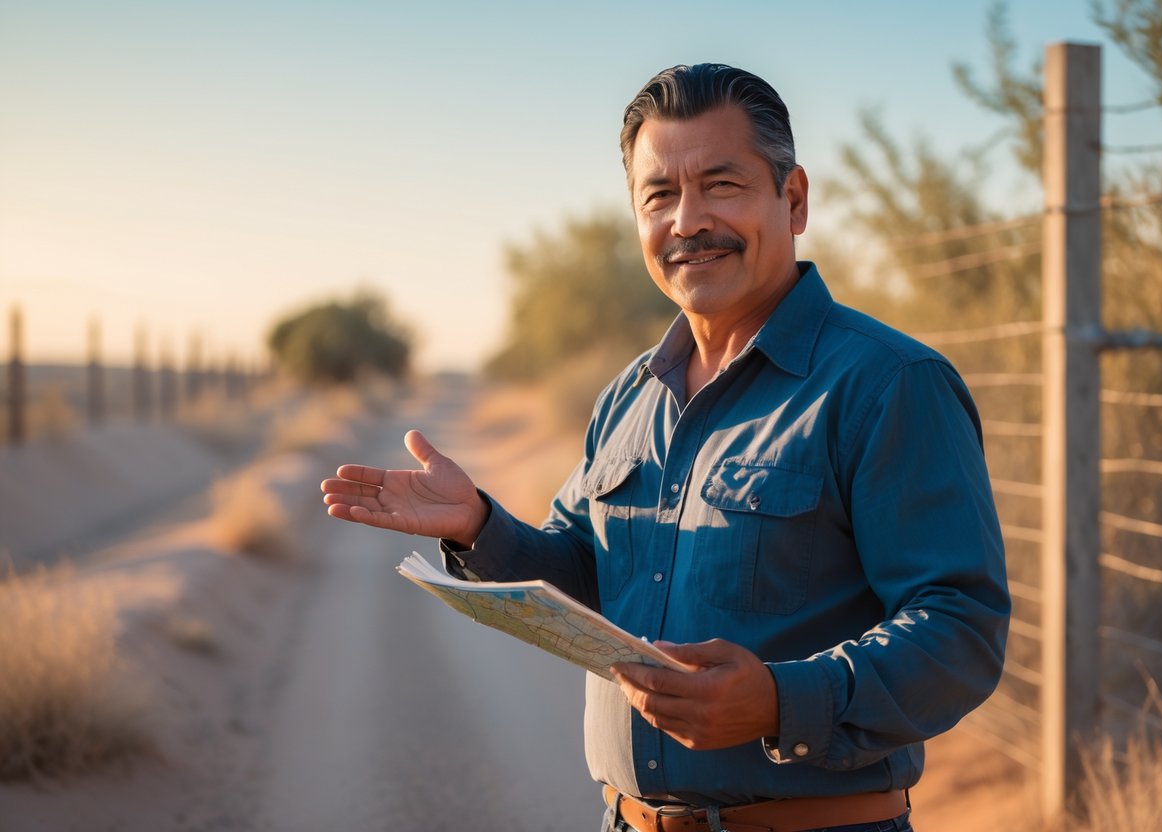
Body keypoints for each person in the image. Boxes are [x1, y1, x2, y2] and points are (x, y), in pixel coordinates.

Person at [322, 63, 1010, 832]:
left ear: (793, 199)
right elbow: (591, 581)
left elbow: (959, 627)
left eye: (720, 184)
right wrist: (479, 528)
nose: (687, 221)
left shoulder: (887, 384)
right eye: (659, 195)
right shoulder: (628, 394)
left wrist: (781, 702)